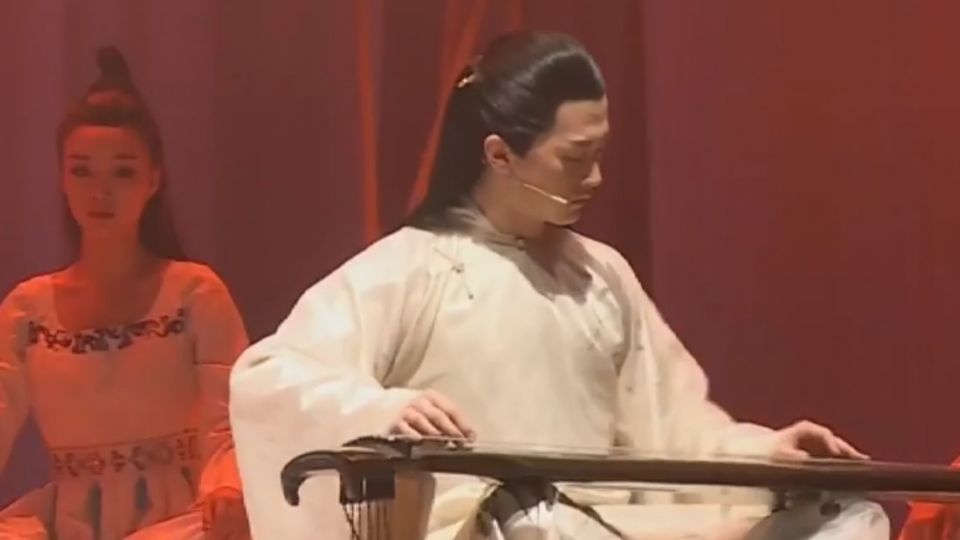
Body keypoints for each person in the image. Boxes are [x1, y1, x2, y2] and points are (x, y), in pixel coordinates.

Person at [228, 31, 890, 539]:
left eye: (599, 155)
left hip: (610, 526)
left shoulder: (602, 274)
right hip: (497, 529)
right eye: (576, 158)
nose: (595, 179)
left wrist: (769, 456)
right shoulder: (412, 269)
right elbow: (271, 376)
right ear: (499, 154)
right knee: (533, 521)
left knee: (843, 517)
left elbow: (675, 430)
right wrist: (377, 412)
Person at [0, 47, 250, 539]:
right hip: (68, 524)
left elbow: (229, 421)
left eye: (122, 171)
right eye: (81, 171)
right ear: (61, 177)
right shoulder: (28, 312)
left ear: (153, 179)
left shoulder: (194, 294)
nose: (100, 192)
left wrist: (228, 488)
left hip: (181, 522)